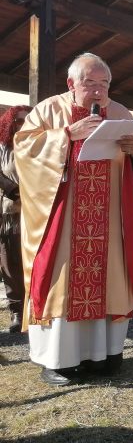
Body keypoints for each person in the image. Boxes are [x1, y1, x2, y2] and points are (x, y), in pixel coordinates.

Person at [15, 53, 133, 386]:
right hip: (64, 221)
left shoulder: (120, 112)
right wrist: (65, 136)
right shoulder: (49, 110)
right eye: (90, 83)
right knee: (61, 285)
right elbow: (24, 152)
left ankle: (105, 355)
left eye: (104, 83)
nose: (98, 91)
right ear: (71, 84)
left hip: (109, 220)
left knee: (109, 282)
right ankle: (58, 360)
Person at [0, 106, 30, 333]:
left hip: (36, 214)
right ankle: (17, 310)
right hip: (10, 214)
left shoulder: (40, 146)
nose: (23, 125)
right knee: (10, 264)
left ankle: (34, 308)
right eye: (18, 121)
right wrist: (12, 189)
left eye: (27, 121)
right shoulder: (3, 148)